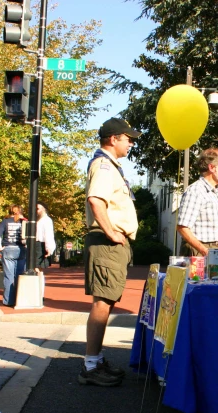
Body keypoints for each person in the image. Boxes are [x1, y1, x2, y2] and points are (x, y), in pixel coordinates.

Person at [82, 117, 141, 387]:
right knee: (102, 303)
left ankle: (96, 361)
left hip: (111, 244)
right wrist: (111, 232)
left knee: (106, 302)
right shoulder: (104, 165)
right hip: (107, 243)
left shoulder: (110, 166)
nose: (130, 142)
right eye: (127, 137)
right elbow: (96, 200)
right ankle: (91, 367)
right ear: (112, 139)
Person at [177, 148, 218, 257]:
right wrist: (205, 251)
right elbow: (183, 228)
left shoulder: (216, 192)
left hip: (217, 250)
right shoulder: (196, 191)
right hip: (199, 251)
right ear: (212, 167)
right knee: (197, 276)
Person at [0, 205, 27, 306]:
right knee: (19, 275)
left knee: (9, 276)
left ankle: (8, 300)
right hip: (21, 249)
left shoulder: (5, 221)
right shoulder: (25, 221)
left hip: (8, 248)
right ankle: (19, 299)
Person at [35, 202, 56, 269]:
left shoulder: (47, 220)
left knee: (37, 268)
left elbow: (49, 235)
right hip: (35, 245)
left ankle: (38, 279)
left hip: (41, 246)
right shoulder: (36, 220)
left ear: (43, 209)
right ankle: (40, 279)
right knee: (37, 268)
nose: (36, 211)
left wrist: (49, 248)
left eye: (38, 209)